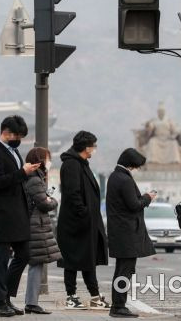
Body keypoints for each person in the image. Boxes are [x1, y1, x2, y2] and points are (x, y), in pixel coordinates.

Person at [0, 115, 41, 317]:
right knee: (0, 259)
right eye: (17, 135)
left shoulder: (14, 151)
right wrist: (22, 172)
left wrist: (27, 171)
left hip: (17, 214)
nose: (19, 139)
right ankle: (1, 302)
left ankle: (5, 297)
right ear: (6, 132)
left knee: (24, 254)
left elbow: (17, 179)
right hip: (2, 215)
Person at [57, 131, 110, 310]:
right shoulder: (72, 164)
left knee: (88, 260)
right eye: (93, 146)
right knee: (72, 261)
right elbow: (73, 193)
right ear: (86, 147)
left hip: (85, 222)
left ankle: (95, 296)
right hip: (75, 223)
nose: (94, 149)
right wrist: (84, 213)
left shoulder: (82, 163)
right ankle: (71, 296)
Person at [106, 148, 157, 318]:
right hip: (127, 232)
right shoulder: (125, 179)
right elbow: (134, 205)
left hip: (119, 231)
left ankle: (117, 305)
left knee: (121, 269)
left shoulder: (114, 176)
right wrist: (148, 197)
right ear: (131, 164)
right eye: (136, 166)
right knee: (125, 271)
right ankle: (118, 306)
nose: (137, 169)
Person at [23, 147, 62, 315]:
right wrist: (53, 200)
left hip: (36, 224)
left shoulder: (35, 179)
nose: (49, 162)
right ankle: (31, 302)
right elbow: (44, 204)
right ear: (39, 161)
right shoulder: (35, 180)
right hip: (36, 226)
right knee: (35, 264)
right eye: (47, 158)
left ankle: (31, 301)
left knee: (36, 263)